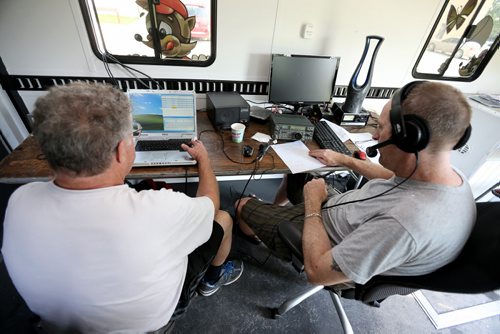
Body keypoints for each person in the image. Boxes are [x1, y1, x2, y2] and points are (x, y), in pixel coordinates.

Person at [2, 82, 243, 333]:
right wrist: (204, 159)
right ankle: (210, 282)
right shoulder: (160, 210)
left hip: (57, 326)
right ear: (120, 150)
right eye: (133, 135)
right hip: (151, 326)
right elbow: (209, 205)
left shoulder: (19, 200)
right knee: (223, 217)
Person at [235, 81, 475, 287]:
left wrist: (313, 206)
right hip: (338, 211)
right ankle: (275, 212)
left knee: (241, 204)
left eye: (381, 128)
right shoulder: (446, 175)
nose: (374, 136)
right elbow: (388, 177)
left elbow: (317, 272)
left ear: (409, 139)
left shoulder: (404, 225)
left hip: (324, 245)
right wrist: (342, 159)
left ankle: (258, 231)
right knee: (299, 173)